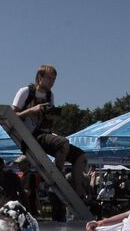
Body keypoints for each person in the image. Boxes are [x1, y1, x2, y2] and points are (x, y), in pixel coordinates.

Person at [12, 65, 88, 203]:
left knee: (81, 156)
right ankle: (57, 178)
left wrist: (50, 117)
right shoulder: (25, 92)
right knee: (63, 142)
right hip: (30, 136)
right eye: (49, 78)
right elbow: (12, 116)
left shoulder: (49, 95)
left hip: (44, 134)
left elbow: (47, 122)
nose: (52, 82)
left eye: (54, 79)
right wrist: (31, 111)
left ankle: (79, 194)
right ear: (39, 78)